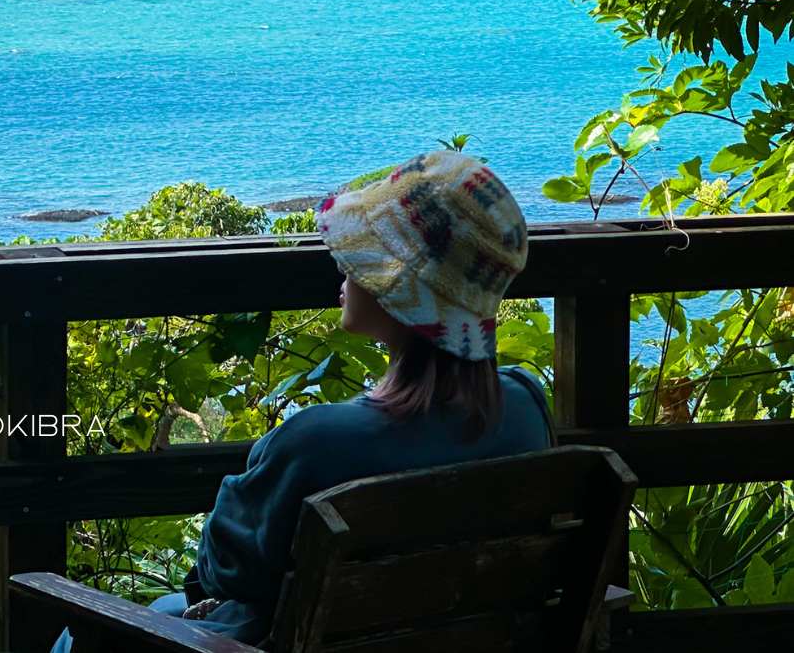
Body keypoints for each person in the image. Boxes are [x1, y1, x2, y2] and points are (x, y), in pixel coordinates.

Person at [48, 150, 552, 651]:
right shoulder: (526, 409)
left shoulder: (319, 442)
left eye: (359, 262)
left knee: (77, 639)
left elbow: (226, 573)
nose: (343, 271)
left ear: (394, 293)